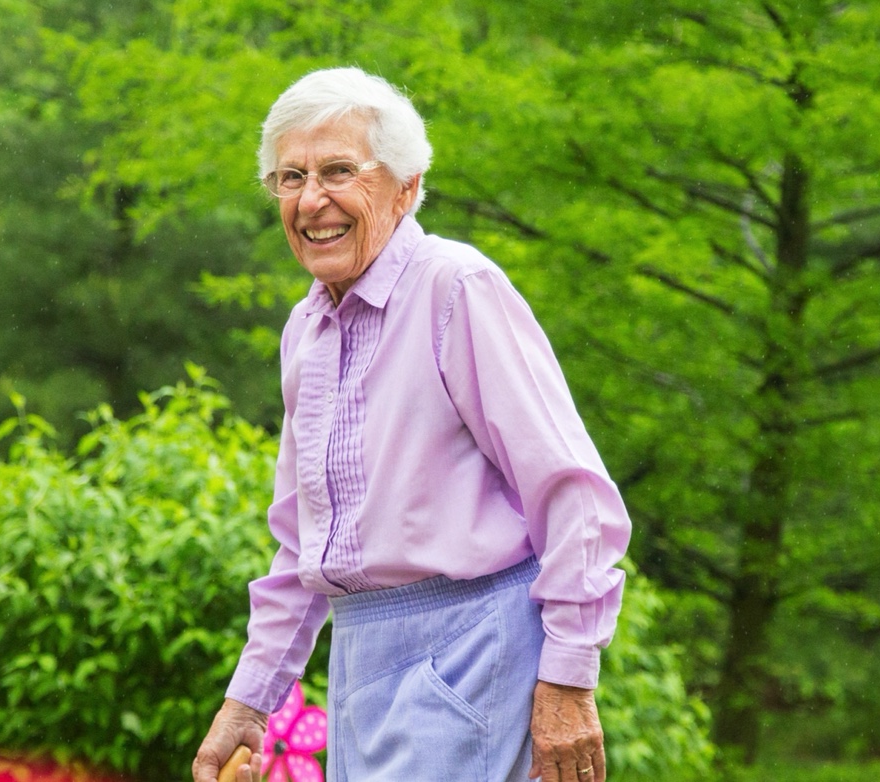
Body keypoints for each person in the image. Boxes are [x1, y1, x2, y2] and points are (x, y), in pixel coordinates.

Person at [190, 67, 632, 782]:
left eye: (339, 171)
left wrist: (570, 676)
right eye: (290, 176)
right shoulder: (306, 329)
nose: (312, 200)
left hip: (471, 653)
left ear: (406, 186)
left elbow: (573, 492)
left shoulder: (455, 288)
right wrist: (250, 699)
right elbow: (302, 546)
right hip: (361, 661)